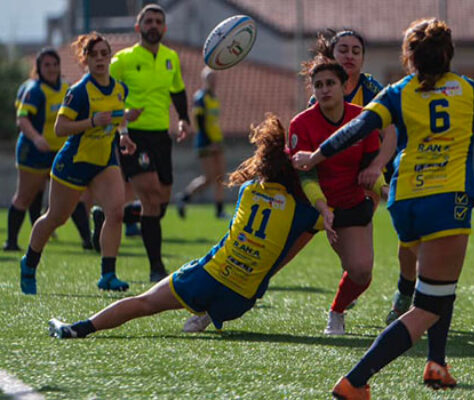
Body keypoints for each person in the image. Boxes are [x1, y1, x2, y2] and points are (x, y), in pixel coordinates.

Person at [292, 18, 474, 399]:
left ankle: (437, 364)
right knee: (429, 304)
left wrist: (316, 155)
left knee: (437, 287)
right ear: (448, 54)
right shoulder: (469, 90)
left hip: (405, 199)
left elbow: (356, 128)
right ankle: (356, 380)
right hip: (448, 200)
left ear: (408, 58)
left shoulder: (397, 92)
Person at [47, 114, 332, 339]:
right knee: (279, 250)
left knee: (144, 302)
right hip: (242, 300)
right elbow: (323, 215)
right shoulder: (304, 211)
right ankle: (208, 311)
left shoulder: (247, 190)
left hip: (210, 276)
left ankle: (78, 328)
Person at [19, 32, 138, 295]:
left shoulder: (120, 89)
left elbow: (119, 118)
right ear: (85, 60)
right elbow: (61, 128)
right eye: (93, 55)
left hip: (104, 161)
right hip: (74, 162)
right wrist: (93, 122)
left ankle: (108, 275)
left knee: (116, 212)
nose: (100, 59)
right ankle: (28, 264)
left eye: (104, 54)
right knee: (55, 219)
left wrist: (125, 136)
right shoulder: (79, 92)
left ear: (110, 57)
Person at [310, 29, 400, 315]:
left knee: (358, 260)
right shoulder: (321, 92)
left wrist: (376, 167)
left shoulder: (373, 91)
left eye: (356, 51)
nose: (349, 55)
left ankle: (402, 293)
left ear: (363, 59)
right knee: (343, 251)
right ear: (332, 56)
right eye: (343, 49)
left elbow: (392, 133)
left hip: (367, 179)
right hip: (329, 182)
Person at [288, 56, 381, 335]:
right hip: (305, 205)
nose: (325, 89)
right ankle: (209, 310)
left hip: (347, 204)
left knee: (362, 272)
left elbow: (371, 166)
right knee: (264, 269)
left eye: (330, 83)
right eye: (318, 85)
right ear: (312, 91)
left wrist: (384, 189)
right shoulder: (301, 123)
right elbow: (306, 174)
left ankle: (337, 312)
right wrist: (322, 207)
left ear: (343, 86)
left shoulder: (362, 119)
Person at [108, 4, 192, 283]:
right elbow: (106, 95)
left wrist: (183, 119)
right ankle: (156, 268)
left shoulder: (171, 57)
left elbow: (177, 91)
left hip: (161, 137)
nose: (153, 25)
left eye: (158, 21)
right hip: (132, 136)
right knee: (151, 199)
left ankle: (113, 214)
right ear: (138, 27)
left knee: (161, 202)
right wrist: (120, 126)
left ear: (164, 28)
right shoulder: (122, 60)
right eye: (148, 21)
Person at [4, 49, 93, 252]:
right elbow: (22, 119)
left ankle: (88, 241)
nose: (52, 69)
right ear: (39, 68)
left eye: (55, 64)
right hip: (34, 152)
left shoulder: (68, 88)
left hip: (60, 151)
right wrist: (36, 138)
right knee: (25, 196)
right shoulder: (34, 91)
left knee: (73, 196)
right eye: (47, 65)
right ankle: (11, 242)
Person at [177, 67, 227, 219]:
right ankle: (185, 197)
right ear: (205, 80)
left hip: (217, 140)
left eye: (214, 78)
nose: (213, 81)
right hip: (205, 142)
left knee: (220, 176)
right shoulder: (200, 98)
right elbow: (199, 121)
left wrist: (217, 140)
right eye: (210, 78)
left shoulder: (214, 98)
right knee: (210, 177)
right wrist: (209, 141)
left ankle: (219, 210)